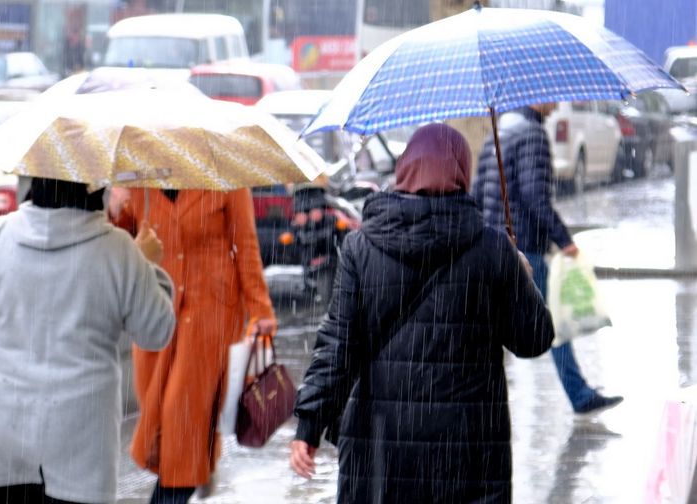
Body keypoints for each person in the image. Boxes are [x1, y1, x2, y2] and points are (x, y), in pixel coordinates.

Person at [289, 123, 554, 503]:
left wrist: (309, 426)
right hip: (467, 451)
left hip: (383, 447)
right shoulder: (492, 249)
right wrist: (521, 276)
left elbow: (337, 344)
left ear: (404, 170)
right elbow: (534, 340)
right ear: (463, 172)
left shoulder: (361, 247)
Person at [0, 178, 176, 504]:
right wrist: (148, 267)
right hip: (82, 433)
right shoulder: (118, 250)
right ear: (94, 189)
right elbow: (156, 331)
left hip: (3, 424)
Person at [110, 188, 277, 504]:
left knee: (181, 413)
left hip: (210, 311)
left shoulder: (224, 174)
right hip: (155, 306)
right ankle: (194, 461)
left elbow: (245, 244)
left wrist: (261, 310)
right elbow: (119, 244)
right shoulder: (138, 176)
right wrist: (116, 210)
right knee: (158, 419)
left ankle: (178, 484)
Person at [472, 103, 624, 415]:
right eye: (550, 96)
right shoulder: (532, 134)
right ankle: (579, 394)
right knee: (550, 322)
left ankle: (483, 400)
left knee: (488, 326)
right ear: (534, 99)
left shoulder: (499, 131)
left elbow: (478, 191)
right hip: (523, 247)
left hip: (492, 246)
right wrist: (564, 240)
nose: (556, 101)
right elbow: (534, 196)